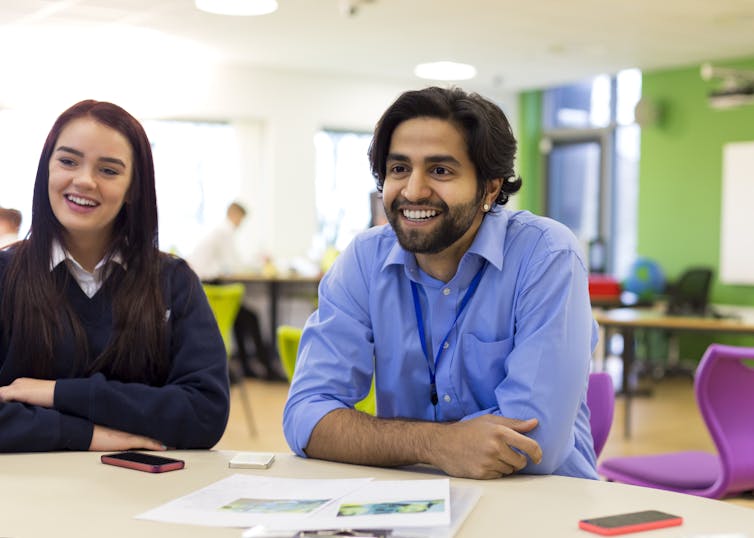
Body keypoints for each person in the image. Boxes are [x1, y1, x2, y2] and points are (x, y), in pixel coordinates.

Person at [283, 86, 598, 480]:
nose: (413, 191)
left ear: (491, 187)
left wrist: (383, 440)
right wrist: (436, 444)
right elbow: (305, 417)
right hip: (416, 503)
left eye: (440, 170)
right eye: (399, 169)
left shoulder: (546, 254)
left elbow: (538, 444)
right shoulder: (365, 260)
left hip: (544, 504)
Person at [0, 100, 230, 452]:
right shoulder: (5, 275)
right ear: (46, 168)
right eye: (68, 161)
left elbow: (204, 413)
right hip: (26, 499)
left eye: (108, 170)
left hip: (141, 495)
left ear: (133, 189)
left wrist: (56, 392)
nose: (84, 180)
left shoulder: (173, 282)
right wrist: (91, 436)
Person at [187, 202, 283, 380]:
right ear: (235, 214)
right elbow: (232, 265)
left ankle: (247, 366)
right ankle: (267, 368)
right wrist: (259, 263)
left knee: (241, 317)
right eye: (241, 219)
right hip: (207, 287)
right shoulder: (225, 231)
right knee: (250, 317)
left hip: (204, 285)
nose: (241, 223)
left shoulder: (220, 231)